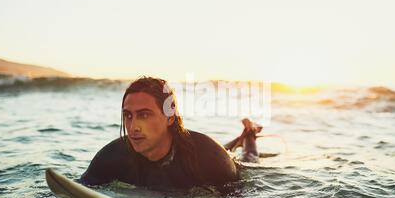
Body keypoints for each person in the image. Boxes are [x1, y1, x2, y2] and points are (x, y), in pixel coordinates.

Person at [80, 76, 262, 190]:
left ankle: (250, 132)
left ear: (170, 117)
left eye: (144, 115)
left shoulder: (210, 157)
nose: (133, 126)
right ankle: (242, 135)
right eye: (128, 115)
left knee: (249, 157)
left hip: (221, 157)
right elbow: (78, 189)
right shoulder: (112, 156)